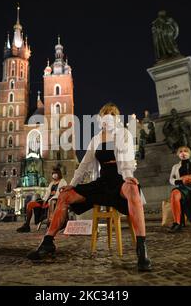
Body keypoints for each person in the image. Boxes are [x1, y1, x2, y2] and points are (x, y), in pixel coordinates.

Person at [26, 103, 152, 272]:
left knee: (133, 190)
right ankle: (48, 242)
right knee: (65, 196)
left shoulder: (124, 134)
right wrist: (72, 184)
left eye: (111, 115)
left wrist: (129, 177)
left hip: (120, 178)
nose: (107, 117)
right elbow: (84, 165)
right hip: (102, 182)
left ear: (116, 118)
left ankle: (142, 249)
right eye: (104, 115)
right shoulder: (97, 138)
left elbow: (128, 159)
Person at [17, 168, 67, 232]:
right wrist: (44, 200)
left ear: (59, 174)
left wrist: (51, 199)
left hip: (56, 201)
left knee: (52, 202)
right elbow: (47, 194)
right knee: (30, 204)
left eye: (56, 173)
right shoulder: (51, 183)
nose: (54, 175)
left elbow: (61, 193)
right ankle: (27, 225)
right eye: (53, 173)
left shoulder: (63, 182)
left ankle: (51, 224)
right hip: (46, 201)